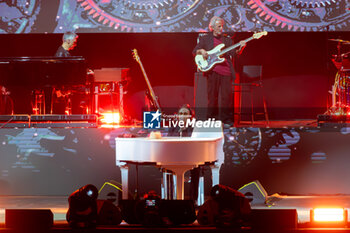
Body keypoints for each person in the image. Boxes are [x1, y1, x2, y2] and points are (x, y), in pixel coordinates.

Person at [193, 16, 245, 126]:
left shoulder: (227, 40)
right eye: (218, 26)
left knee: (226, 98)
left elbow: (233, 54)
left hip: (226, 71)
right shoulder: (205, 39)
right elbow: (195, 51)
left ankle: (226, 120)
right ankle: (212, 120)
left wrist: (241, 48)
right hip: (213, 71)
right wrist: (202, 51)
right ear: (212, 27)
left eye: (222, 26)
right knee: (212, 97)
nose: (221, 28)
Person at [167, 104, 200, 203]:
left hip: (190, 157)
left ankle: (192, 200)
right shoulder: (173, 128)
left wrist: (185, 130)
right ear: (177, 116)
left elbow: (196, 142)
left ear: (190, 116)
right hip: (175, 157)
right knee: (166, 169)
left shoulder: (194, 127)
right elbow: (168, 141)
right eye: (181, 113)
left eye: (185, 113)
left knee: (196, 169)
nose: (183, 115)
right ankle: (171, 199)